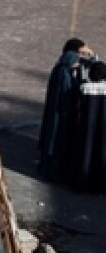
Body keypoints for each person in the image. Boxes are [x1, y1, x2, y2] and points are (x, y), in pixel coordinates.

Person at [38, 39, 95, 183]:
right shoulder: (65, 73)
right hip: (62, 115)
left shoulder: (60, 68)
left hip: (57, 113)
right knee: (58, 142)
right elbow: (66, 95)